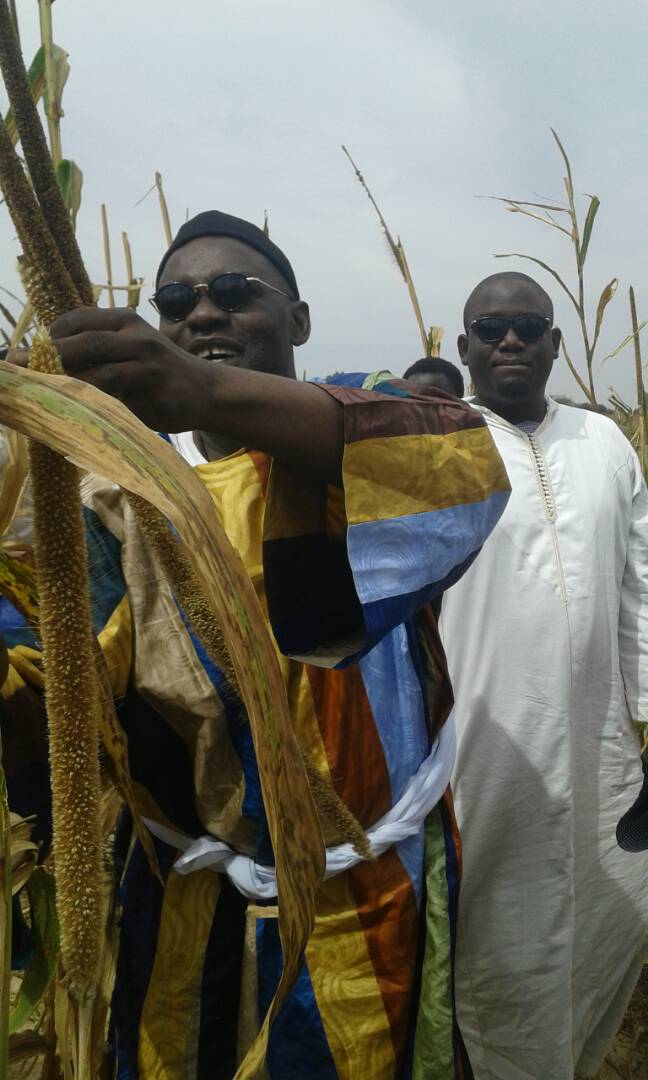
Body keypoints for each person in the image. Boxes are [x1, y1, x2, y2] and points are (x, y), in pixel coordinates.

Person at [1, 212, 510, 1079]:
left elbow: (464, 467)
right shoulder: (114, 501)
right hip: (190, 910)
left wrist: (201, 394)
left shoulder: (359, 417)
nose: (202, 314)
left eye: (234, 293)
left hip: (362, 901)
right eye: (176, 302)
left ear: (300, 321)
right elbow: (50, 699)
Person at [438, 270, 648, 1080]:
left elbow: (638, 590)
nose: (510, 341)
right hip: (478, 756)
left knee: (602, 919)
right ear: (464, 349)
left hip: (601, 748)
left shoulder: (605, 444)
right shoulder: (436, 445)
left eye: (528, 326)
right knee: (482, 942)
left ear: (558, 344)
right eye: (490, 329)